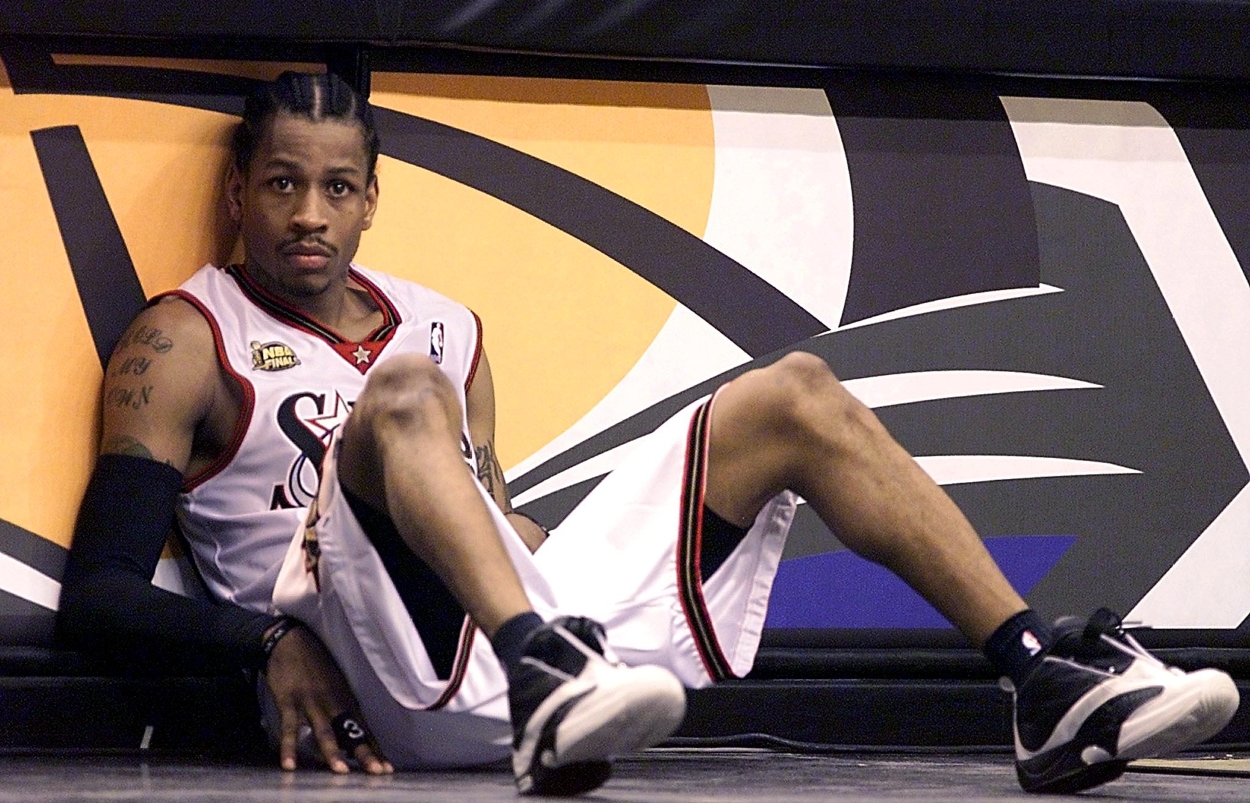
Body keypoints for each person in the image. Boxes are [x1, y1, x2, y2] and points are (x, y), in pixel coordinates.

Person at [57, 70, 1239, 797]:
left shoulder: (445, 322)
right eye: (279, 183)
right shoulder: (180, 338)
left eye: (334, 186)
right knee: (404, 395)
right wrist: (261, 644)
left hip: (514, 625)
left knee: (796, 392)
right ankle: (547, 675)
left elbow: (487, 506)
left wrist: (532, 549)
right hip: (358, 669)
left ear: (371, 197)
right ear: (239, 192)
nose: (307, 212)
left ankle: (1035, 676)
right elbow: (100, 592)